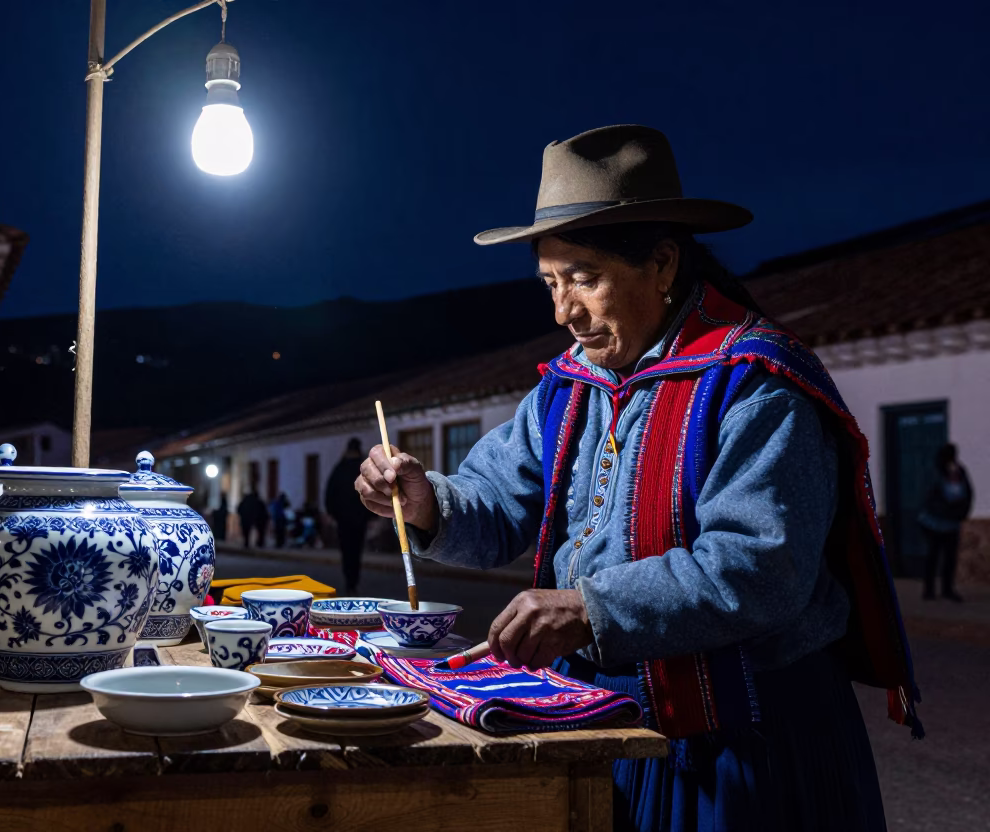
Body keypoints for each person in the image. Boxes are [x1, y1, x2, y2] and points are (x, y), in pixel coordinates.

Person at [354, 126, 920, 831]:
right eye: (551, 285)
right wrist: (426, 501)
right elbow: (497, 505)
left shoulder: (754, 384)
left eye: (584, 278)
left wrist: (588, 608)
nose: (564, 312)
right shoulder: (567, 390)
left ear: (661, 263)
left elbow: (759, 569)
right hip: (600, 716)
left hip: (744, 740)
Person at [918, 443, 973, 602]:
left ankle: (947, 589)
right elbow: (928, 496)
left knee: (950, 558)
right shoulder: (934, 472)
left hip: (952, 523)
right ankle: (929, 590)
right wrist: (945, 508)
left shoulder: (959, 471)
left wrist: (961, 512)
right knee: (933, 556)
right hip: (933, 523)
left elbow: (968, 491)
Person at [326, 438, 373, 594]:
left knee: (346, 550)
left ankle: (349, 580)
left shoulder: (339, 468)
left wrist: (332, 513)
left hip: (343, 519)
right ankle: (353, 580)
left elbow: (329, 493)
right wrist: (372, 516)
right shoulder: (363, 469)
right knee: (356, 550)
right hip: (359, 518)